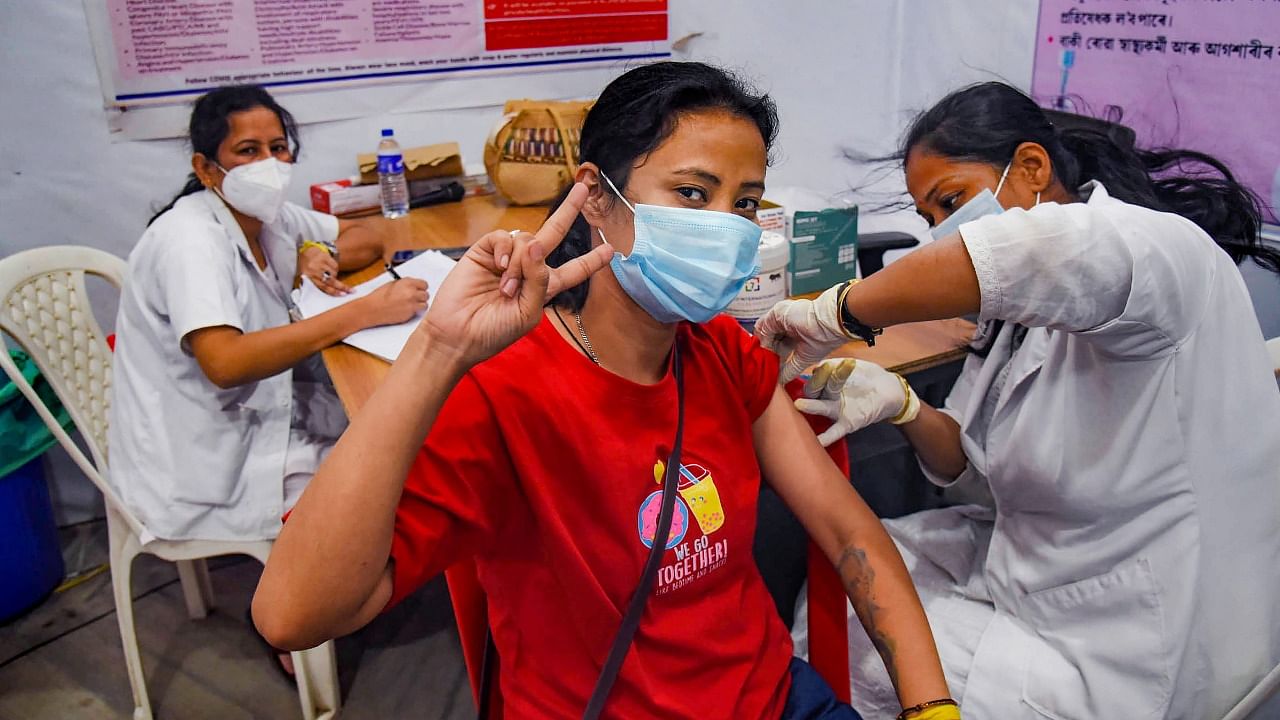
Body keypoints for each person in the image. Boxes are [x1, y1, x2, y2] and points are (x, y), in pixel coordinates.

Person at [253, 62, 958, 720]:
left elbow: (849, 530)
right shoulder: (502, 390)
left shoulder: (718, 353)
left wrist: (932, 709)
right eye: (691, 193)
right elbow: (293, 614)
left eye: (743, 203)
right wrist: (436, 353)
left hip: (771, 696)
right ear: (596, 197)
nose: (723, 226)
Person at [757, 81, 1280, 719]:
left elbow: (1030, 253)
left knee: (862, 642)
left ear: (1032, 168)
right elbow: (981, 480)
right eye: (929, 220)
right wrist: (909, 410)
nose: (942, 236)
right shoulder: (1011, 325)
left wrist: (837, 309)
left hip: (1137, 642)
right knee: (852, 578)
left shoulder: (1157, 250)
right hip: (1043, 566)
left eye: (950, 203)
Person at [109, 83, 428, 544]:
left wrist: (320, 250)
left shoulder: (268, 218)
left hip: (264, 415)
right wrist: (361, 312)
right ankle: (309, 607)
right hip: (204, 460)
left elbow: (367, 237)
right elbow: (225, 362)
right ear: (206, 168)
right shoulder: (189, 240)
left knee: (406, 434)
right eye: (247, 151)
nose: (268, 164)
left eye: (277, 148)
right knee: (389, 478)